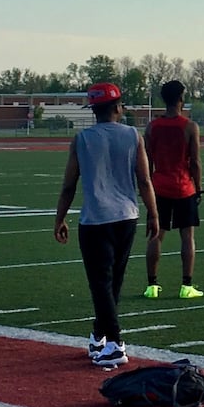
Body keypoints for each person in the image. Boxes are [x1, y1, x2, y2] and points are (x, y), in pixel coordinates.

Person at [52, 83, 160, 369]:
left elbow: (68, 185)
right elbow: (145, 180)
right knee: (114, 281)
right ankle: (100, 335)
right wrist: (154, 213)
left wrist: (60, 217)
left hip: (96, 218)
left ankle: (114, 343)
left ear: (94, 110)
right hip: (127, 216)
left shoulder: (82, 139)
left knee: (100, 283)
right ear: (117, 107)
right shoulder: (133, 136)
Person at [142, 80, 204, 301]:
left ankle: (152, 285)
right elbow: (195, 162)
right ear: (181, 99)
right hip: (183, 187)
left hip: (159, 186)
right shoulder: (189, 127)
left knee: (156, 235)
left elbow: (146, 161)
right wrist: (199, 188)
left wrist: (147, 184)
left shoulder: (152, 127)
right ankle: (186, 285)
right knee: (187, 236)